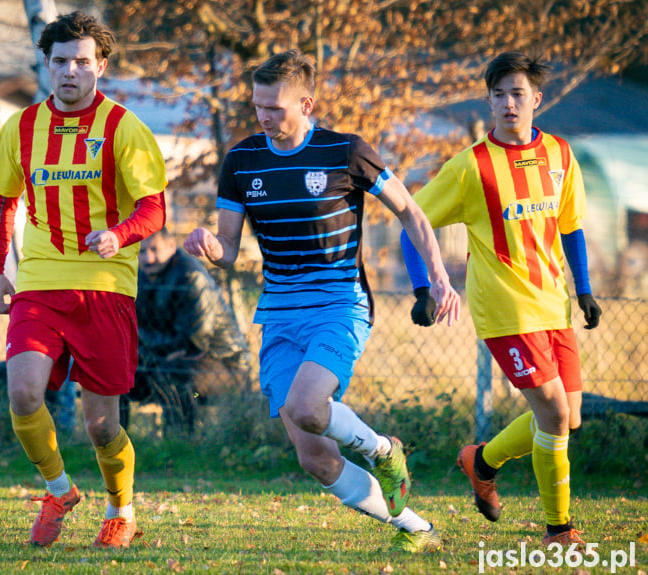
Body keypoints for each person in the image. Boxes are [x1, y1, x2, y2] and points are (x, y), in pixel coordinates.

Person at [184, 50, 460, 552]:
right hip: (279, 312)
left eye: (275, 108)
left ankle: (382, 449)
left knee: (309, 406)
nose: (264, 117)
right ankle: (416, 528)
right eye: (257, 106)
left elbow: (413, 214)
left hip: (339, 303)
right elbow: (227, 250)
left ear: (306, 103)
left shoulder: (346, 151)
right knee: (316, 457)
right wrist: (209, 245)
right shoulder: (242, 162)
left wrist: (438, 277)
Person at [400, 52, 602, 547]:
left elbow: (570, 226)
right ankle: (558, 530)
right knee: (553, 415)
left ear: (536, 100)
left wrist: (584, 289)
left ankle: (482, 460)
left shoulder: (560, 153)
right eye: (498, 95)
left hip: (553, 303)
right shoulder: (472, 166)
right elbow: (411, 221)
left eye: (517, 94)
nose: (508, 103)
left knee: (567, 418)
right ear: (489, 101)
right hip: (505, 310)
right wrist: (423, 288)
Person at [0, 11, 167, 549]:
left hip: (105, 287)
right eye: (60, 61)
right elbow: (1, 203)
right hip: (40, 283)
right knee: (21, 393)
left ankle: (121, 509)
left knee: (102, 426)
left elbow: (155, 209)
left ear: (100, 66)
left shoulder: (123, 128)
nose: (70, 72)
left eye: (81, 62)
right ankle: (58, 490)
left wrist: (120, 233)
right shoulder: (21, 128)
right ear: (47, 65)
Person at [129, 227, 251, 432]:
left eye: (154, 249)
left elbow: (195, 341)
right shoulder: (139, 277)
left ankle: (182, 439)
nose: (148, 258)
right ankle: (115, 443)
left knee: (174, 374)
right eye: (142, 251)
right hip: (165, 360)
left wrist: (149, 347)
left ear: (170, 246)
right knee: (117, 371)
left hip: (224, 367)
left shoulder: (190, 275)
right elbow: (133, 329)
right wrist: (152, 351)